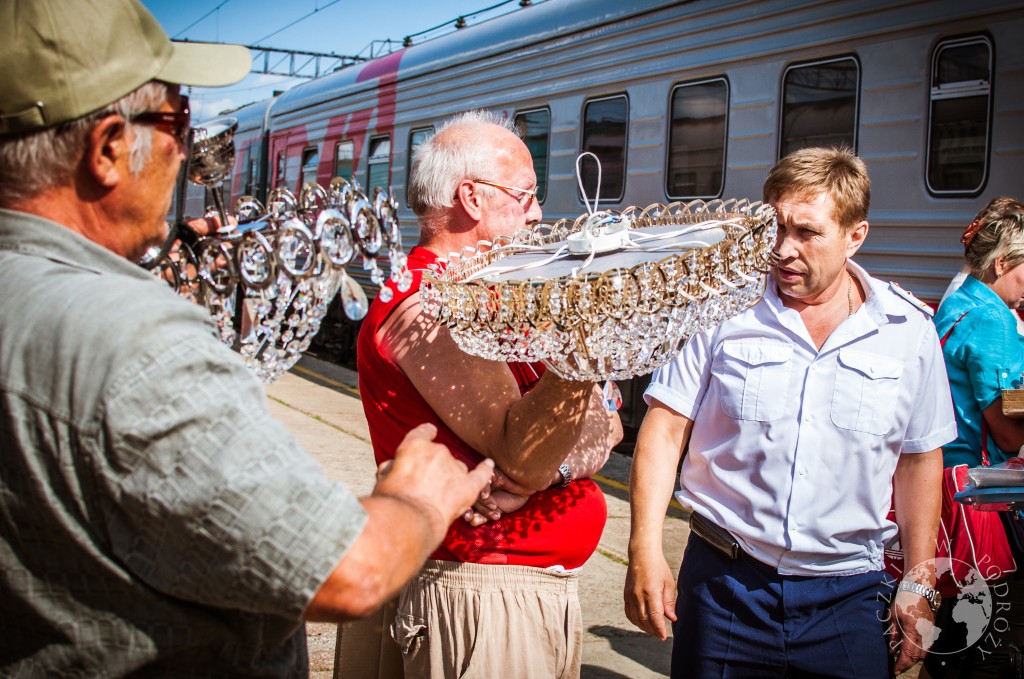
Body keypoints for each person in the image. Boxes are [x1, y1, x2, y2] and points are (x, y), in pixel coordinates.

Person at [0, 0, 493, 675]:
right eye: (178, 123)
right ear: (109, 149)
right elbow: (349, 571)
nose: (185, 151)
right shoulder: (138, 341)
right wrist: (417, 497)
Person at [624, 146, 957, 678]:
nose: (782, 249)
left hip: (848, 598)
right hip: (724, 587)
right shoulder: (720, 309)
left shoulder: (907, 331)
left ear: (856, 235)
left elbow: (918, 461)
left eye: (806, 232)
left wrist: (918, 584)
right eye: (774, 227)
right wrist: (643, 546)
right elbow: (663, 431)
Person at [356, 110, 623, 679]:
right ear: (471, 198)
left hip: (507, 590)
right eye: (524, 196)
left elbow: (607, 425)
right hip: (476, 594)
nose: (538, 213)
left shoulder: (489, 297)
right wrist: (585, 347)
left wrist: (550, 474)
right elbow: (523, 450)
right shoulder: (428, 303)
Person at [925, 196, 1024, 678]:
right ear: (1002, 262)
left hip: (941, 479)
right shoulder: (995, 319)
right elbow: (1007, 430)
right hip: (980, 493)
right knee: (990, 635)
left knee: (957, 624)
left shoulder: (959, 298)